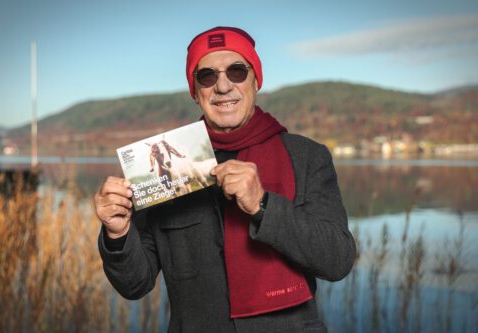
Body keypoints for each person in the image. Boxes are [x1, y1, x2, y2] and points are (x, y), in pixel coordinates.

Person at [94, 26, 356, 333]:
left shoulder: (307, 156)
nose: (222, 86)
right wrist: (118, 233)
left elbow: (337, 261)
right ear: (195, 92)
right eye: (207, 76)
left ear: (256, 80)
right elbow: (134, 284)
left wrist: (263, 205)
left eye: (236, 71)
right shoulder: (166, 164)